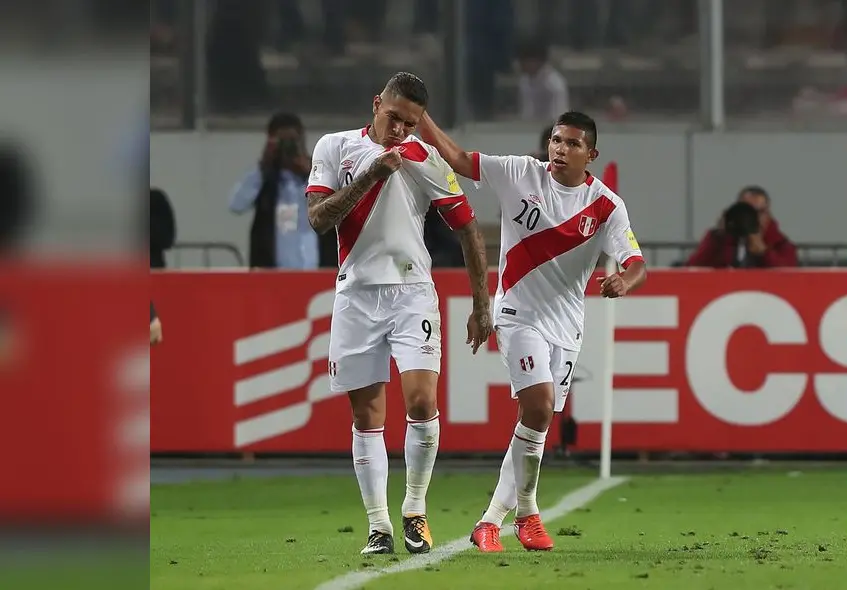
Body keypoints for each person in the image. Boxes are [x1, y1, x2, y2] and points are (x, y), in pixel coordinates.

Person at [418, 110, 647, 552]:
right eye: (557, 141)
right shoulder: (520, 173)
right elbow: (461, 159)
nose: (560, 149)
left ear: (591, 155)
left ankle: (498, 519)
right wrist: (421, 117)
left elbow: (636, 262)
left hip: (567, 326)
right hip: (517, 315)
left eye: (572, 144)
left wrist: (624, 281)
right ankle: (527, 513)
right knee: (539, 406)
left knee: (537, 421)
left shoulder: (605, 206)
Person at [305, 72, 492, 556]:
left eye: (410, 124)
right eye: (394, 119)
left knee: (421, 402)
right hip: (356, 295)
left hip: (412, 294)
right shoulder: (335, 147)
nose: (401, 132)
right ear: (376, 105)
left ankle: (414, 512)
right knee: (366, 416)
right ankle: (378, 527)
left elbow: (470, 232)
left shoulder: (426, 159)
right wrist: (372, 172)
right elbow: (319, 218)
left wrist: (481, 303)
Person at [229, 112, 319, 269]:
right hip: (272, 274)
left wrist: (309, 173)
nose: (287, 147)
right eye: (282, 141)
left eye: (292, 141)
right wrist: (263, 165)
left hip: (318, 272)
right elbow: (236, 205)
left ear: (302, 140)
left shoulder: (319, 173)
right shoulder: (263, 178)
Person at [686, 186, 798, 268]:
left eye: (759, 212)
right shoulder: (718, 238)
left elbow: (787, 276)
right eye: (747, 212)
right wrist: (719, 236)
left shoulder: (780, 243)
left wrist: (763, 252)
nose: (753, 217)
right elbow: (693, 267)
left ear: (768, 214)